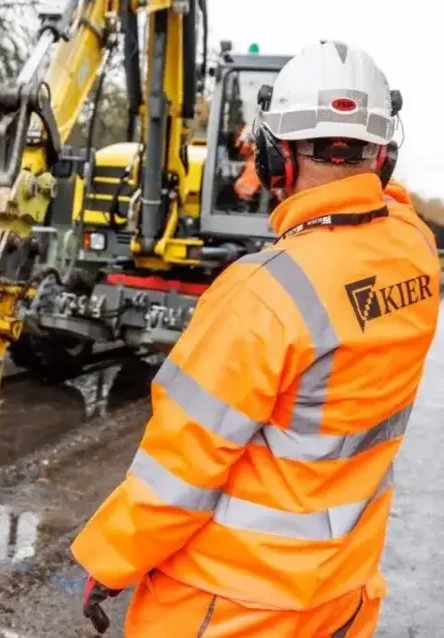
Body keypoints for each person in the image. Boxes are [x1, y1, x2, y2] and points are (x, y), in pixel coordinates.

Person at [71, 40, 441, 637]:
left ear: (275, 158)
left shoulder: (264, 292)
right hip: (341, 593)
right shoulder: (414, 252)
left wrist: (110, 561)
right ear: (385, 159)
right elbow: (388, 206)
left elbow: (181, 468)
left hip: (232, 606)